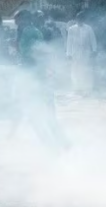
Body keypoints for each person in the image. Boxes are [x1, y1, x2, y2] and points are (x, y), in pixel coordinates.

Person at [10, 10, 69, 149]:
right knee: (47, 114)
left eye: (17, 20)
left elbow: (30, 53)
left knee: (35, 115)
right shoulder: (33, 31)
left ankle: (52, 145)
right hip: (39, 77)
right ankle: (61, 143)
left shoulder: (28, 32)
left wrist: (16, 46)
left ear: (24, 20)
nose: (15, 23)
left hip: (34, 79)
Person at [66, 11, 97, 95]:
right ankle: (77, 88)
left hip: (86, 52)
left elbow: (93, 40)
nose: (80, 20)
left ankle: (86, 88)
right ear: (76, 19)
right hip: (75, 53)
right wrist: (68, 54)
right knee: (75, 70)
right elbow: (69, 42)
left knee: (85, 70)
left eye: (82, 18)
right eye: (78, 18)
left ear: (83, 19)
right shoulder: (71, 29)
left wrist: (94, 50)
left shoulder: (88, 28)